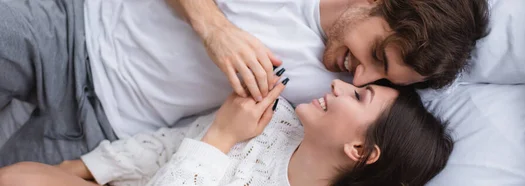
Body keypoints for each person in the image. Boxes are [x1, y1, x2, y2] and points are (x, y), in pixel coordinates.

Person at [0, 0, 488, 166]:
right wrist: (216, 30)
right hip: (71, 31)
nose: (358, 75)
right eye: (376, 54)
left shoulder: (341, 101)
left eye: (382, 77)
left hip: (99, 129)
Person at [0, 79, 453, 186]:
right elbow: (164, 147)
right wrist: (83, 168)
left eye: (358, 98)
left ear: (361, 150)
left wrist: (220, 136)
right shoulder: (273, 120)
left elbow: (205, 142)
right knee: (20, 176)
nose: (338, 84)